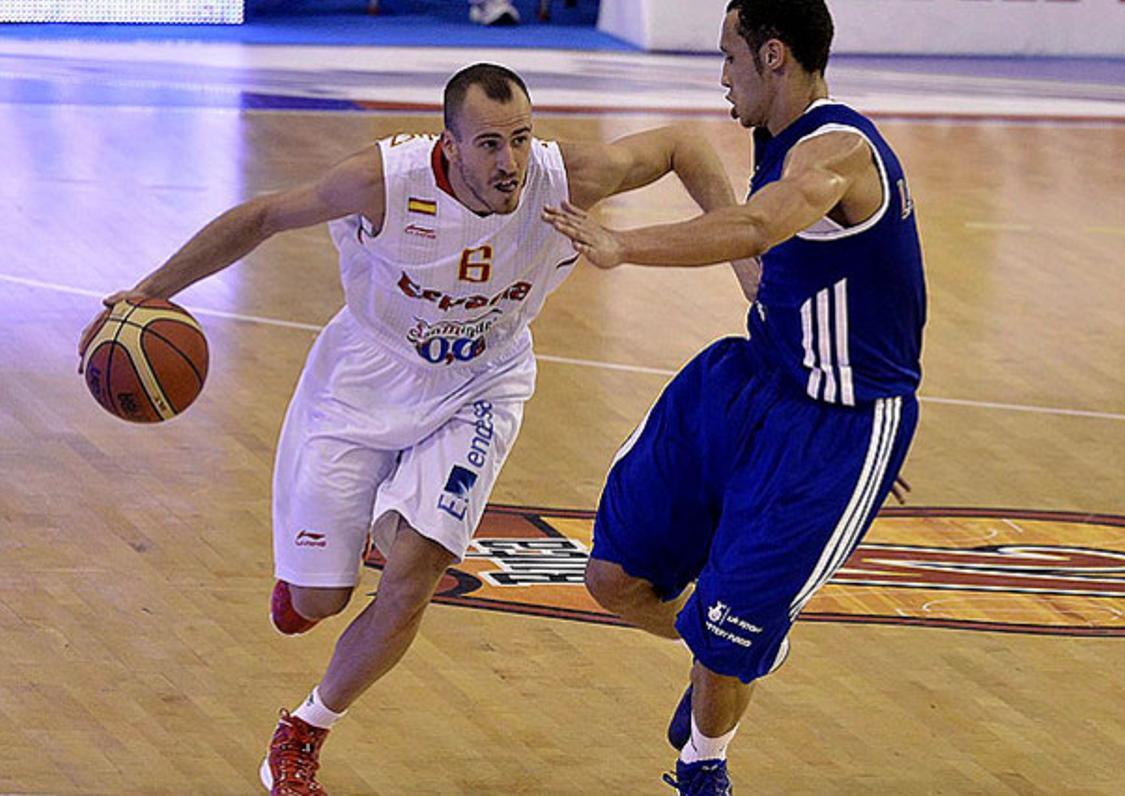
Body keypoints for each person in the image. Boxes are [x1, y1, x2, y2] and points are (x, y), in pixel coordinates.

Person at [77, 63, 750, 795]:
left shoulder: (564, 179)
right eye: (489, 144)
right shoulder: (384, 182)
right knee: (318, 602)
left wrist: (749, 262)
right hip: (363, 380)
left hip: (481, 387)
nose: (510, 162)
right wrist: (147, 292)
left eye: (521, 139)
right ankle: (318, 573)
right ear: (449, 145)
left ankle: (303, 731)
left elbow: (685, 144)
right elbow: (264, 216)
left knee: (412, 577)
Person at [544, 1, 926, 793]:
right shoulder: (773, 136)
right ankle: (735, 643)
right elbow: (694, 158)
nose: (721, 76)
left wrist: (621, 245)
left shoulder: (839, 152)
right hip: (750, 380)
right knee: (613, 580)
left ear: (773, 55)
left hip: (837, 426)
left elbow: (756, 227)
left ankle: (703, 767)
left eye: (729, 57)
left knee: (726, 636)